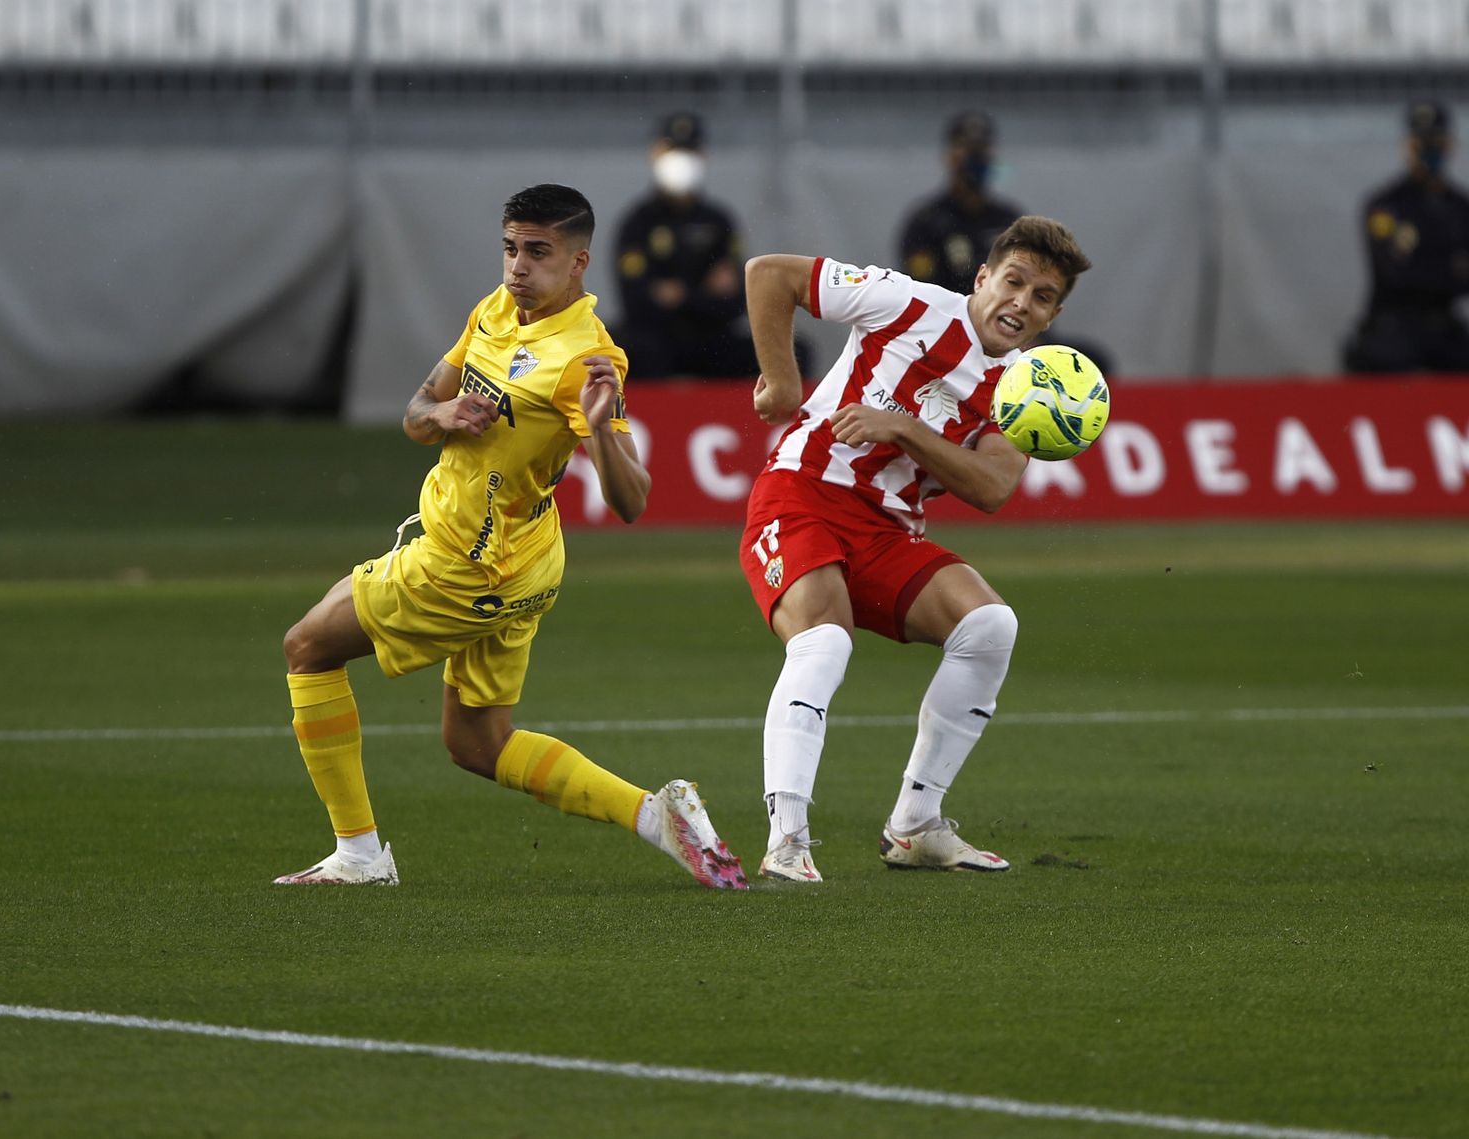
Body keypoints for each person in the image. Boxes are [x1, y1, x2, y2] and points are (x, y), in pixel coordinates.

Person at [275, 184, 747, 891]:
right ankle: (657, 815)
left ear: (580, 262)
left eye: (538, 252)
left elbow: (631, 501)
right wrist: (443, 415)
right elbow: (413, 413)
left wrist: (599, 431)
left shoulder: (588, 358)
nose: (518, 266)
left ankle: (360, 854)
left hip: (469, 566)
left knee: (307, 646)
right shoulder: (494, 312)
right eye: (509, 248)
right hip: (517, 559)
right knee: (477, 743)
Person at [740, 216, 1093, 883]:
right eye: (1013, 282)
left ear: (1053, 315)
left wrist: (902, 429)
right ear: (983, 279)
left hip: (887, 531)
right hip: (802, 493)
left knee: (990, 625)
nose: (1021, 302)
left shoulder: (1023, 388)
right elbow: (769, 274)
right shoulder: (905, 302)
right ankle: (787, 838)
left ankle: (914, 825)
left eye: (1042, 296)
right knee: (824, 639)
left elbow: (991, 487)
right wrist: (782, 382)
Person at [612, 111, 753, 379]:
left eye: (689, 151)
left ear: (703, 156)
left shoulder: (718, 221)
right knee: (622, 351)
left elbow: (733, 302)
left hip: (710, 339)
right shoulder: (638, 223)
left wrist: (679, 295)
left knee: (792, 352)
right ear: (655, 154)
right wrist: (702, 294)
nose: (680, 161)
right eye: (672, 150)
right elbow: (637, 302)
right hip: (655, 340)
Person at [1345, 100, 1469, 373]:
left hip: (1445, 326)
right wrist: (1451, 268)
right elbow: (1396, 272)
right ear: (1407, 147)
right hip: (1395, 325)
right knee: (1377, 359)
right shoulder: (1386, 205)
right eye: (1421, 143)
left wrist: (1427, 264)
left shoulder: (1460, 207)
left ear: (1450, 146)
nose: (1429, 151)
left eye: (1436, 142)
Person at [894, 111, 1024, 294]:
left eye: (981, 150)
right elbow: (921, 291)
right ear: (949, 156)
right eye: (968, 150)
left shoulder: (1009, 221)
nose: (976, 159)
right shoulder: (926, 222)